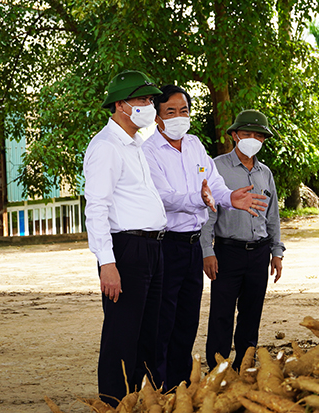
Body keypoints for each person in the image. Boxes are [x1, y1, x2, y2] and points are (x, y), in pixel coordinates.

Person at [141, 85, 267, 390]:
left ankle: (181, 384)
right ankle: (159, 387)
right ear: (157, 117)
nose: (178, 117)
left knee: (187, 319)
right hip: (165, 244)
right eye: (170, 111)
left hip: (192, 244)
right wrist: (203, 198)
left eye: (183, 110)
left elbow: (215, 184)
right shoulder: (148, 151)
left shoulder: (195, 144)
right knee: (163, 321)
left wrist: (229, 198)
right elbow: (165, 198)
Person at [83, 70, 166, 406]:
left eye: (150, 100)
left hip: (152, 248)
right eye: (142, 100)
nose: (149, 105)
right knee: (122, 336)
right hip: (127, 250)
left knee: (147, 336)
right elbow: (96, 208)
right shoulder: (106, 147)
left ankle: (135, 401)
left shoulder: (134, 145)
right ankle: (113, 404)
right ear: (120, 105)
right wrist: (107, 262)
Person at [201, 109, 285, 370]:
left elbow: (272, 216)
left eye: (258, 135)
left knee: (251, 313)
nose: (252, 139)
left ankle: (245, 367)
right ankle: (218, 369)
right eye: (246, 133)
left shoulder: (265, 173)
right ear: (235, 136)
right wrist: (207, 251)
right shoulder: (217, 167)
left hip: (259, 253)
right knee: (222, 314)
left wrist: (277, 252)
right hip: (228, 252)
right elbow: (208, 212)